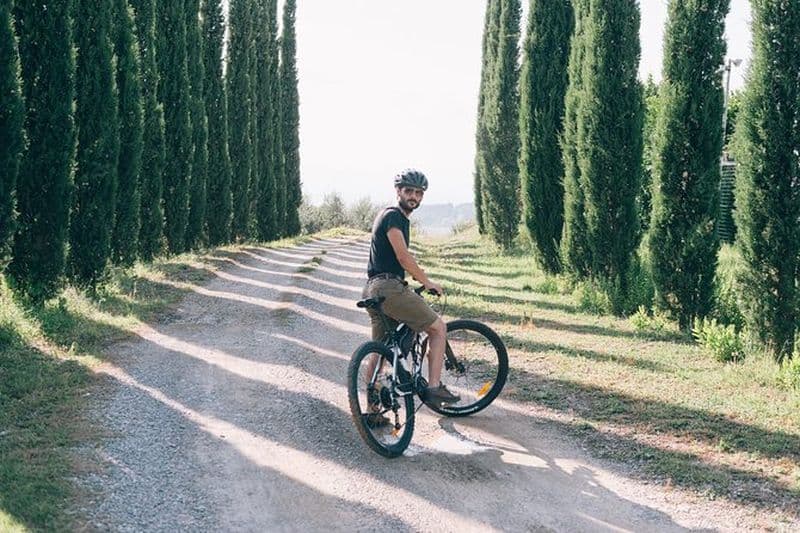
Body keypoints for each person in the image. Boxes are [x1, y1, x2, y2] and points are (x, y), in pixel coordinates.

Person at [361, 169, 461, 407]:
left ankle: (372, 409)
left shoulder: (390, 216)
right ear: (398, 191)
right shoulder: (394, 216)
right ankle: (434, 388)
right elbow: (403, 257)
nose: (413, 196)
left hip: (373, 290)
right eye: (409, 191)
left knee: (380, 351)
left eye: (418, 193)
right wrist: (427, 282)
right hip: (388, 288)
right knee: (437, 328)